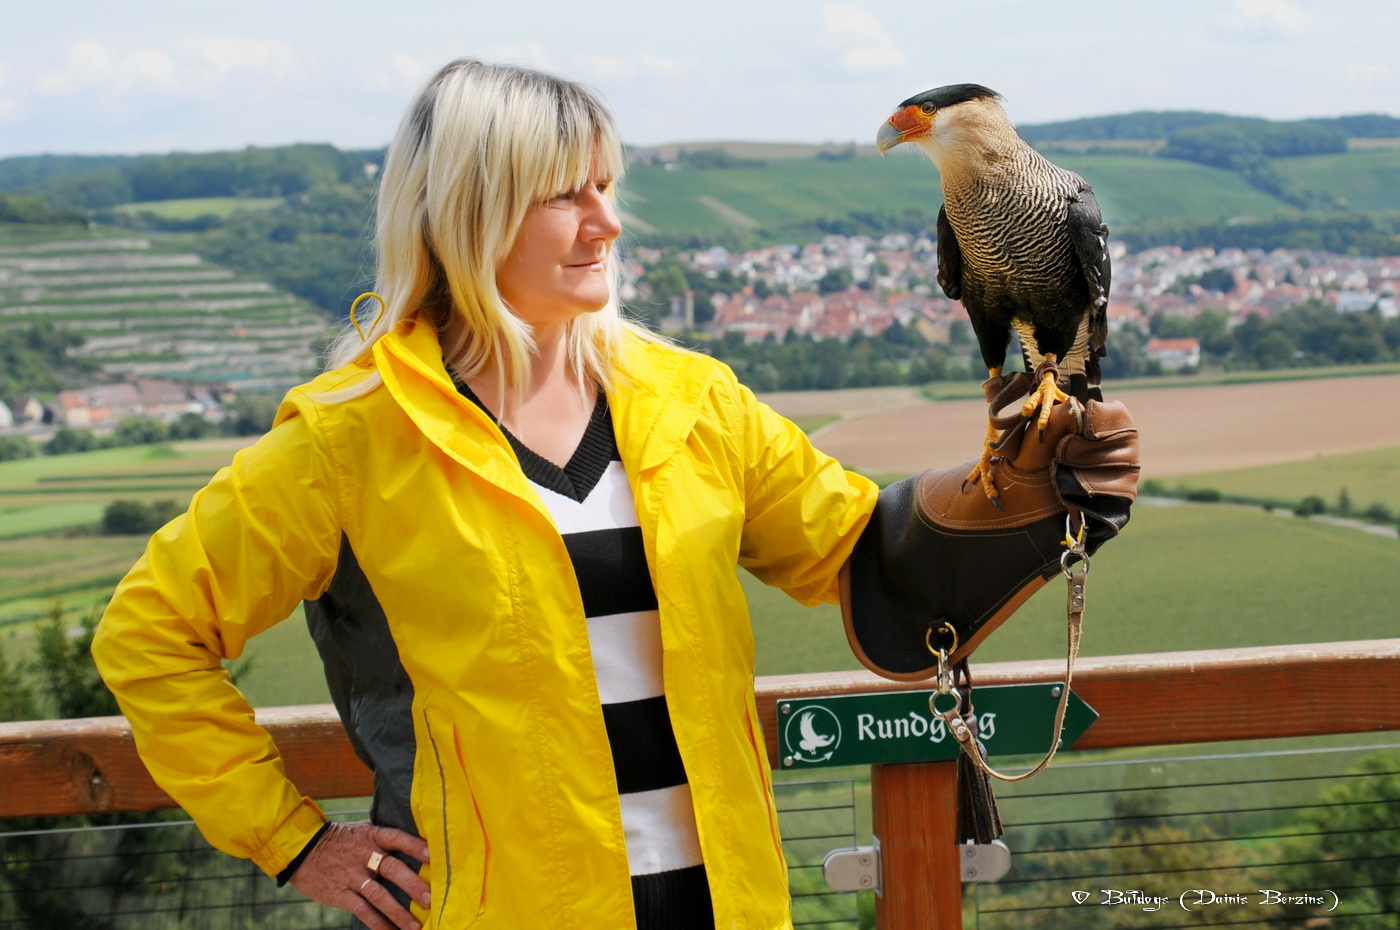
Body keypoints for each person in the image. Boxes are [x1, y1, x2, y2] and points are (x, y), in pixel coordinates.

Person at [93, 59, 1137, 930]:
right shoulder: (348, 437)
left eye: (608, 187)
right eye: (567, 195)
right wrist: (299, 844)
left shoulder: (692, 402)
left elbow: (860, 552)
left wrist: (1011, 493)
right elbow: (149, 635)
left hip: (726, 907)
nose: (607, 224)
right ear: (469, 212)